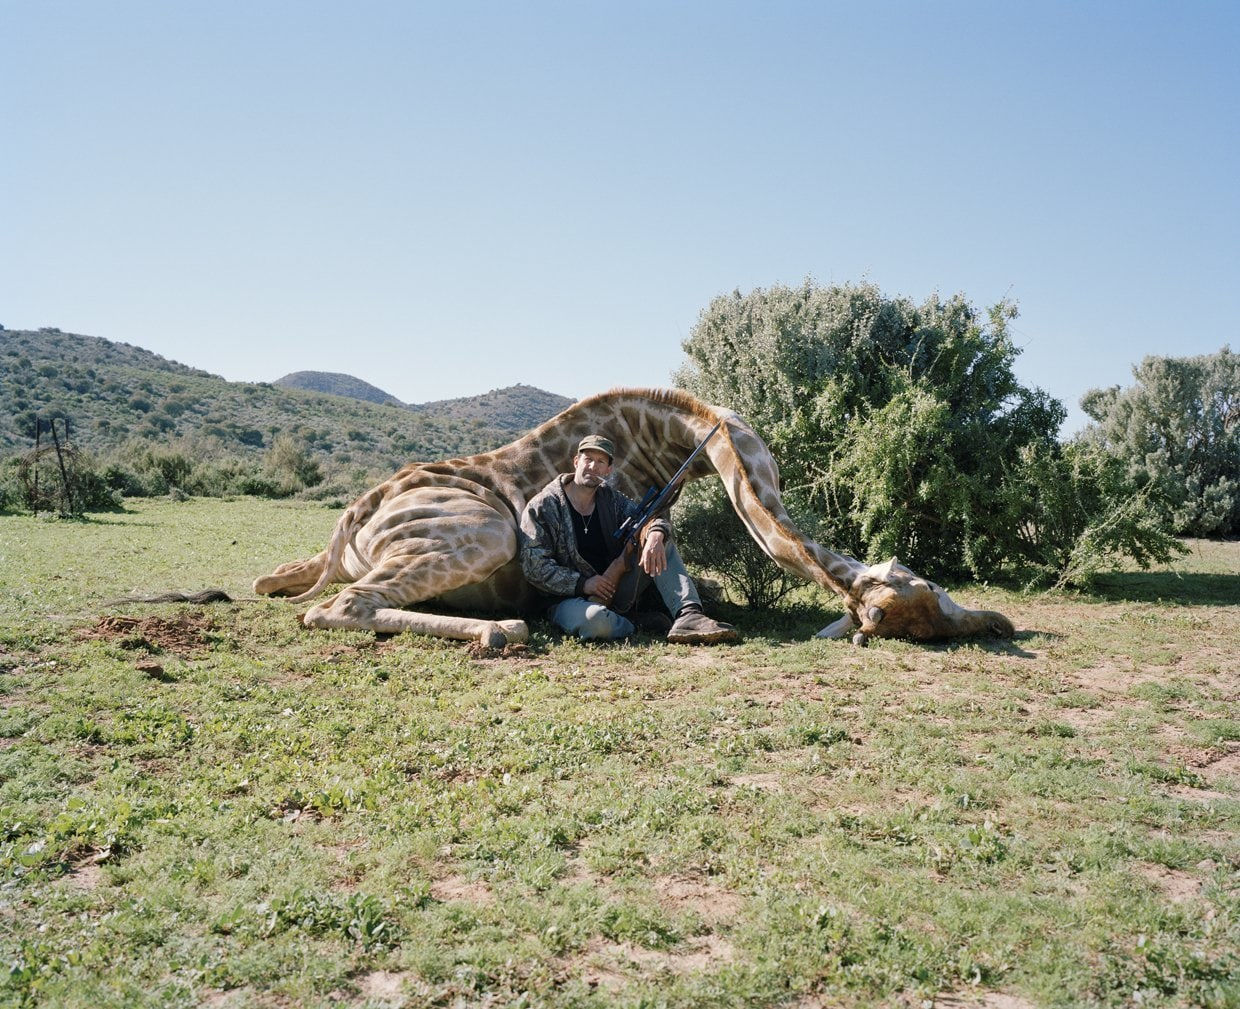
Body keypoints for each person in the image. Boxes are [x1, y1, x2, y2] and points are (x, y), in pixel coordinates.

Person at [519, 434, 739, 644]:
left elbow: (649, 519)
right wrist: (583, 584)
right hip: (567, 600)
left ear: (608, 469)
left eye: (600, 461)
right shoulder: (543, 506)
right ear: (576, 461)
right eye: (588, 459)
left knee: (659, 542)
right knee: (595, 623)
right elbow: (534, 566)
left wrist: (655, 534)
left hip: (616, 588)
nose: (593, 466)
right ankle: (635, 623)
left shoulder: (610, 498)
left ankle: (689, 615)